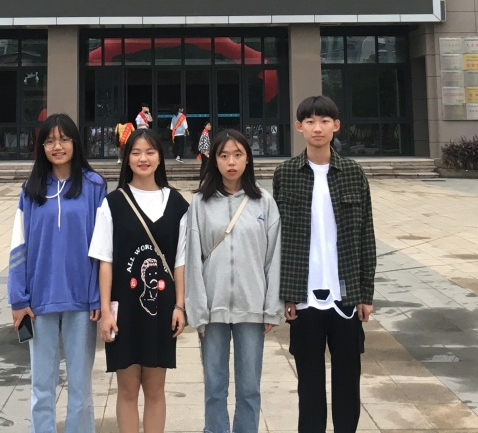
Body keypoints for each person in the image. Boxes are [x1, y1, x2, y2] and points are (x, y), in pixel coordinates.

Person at [272, 96, 376, 433]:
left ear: (336, 126)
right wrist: (285, 295)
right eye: (310, 121)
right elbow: (278, 240)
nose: (318, 128)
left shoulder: (353, 173)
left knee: (348, 384)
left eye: (325, 121)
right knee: (309, 387)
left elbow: (366, 236)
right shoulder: (285, 174)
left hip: (345, 297)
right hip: (303, 299)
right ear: (299, 127)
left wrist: (365, 294)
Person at [7, 113, 107, 433]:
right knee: (41, 387)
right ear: (42, 147)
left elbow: (103, 247)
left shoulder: (94, 186)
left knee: (80, 387)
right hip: (39, 302)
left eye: (64, 139)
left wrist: (98, 297)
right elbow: (18, 246)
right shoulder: (31, 189)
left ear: (75, 143)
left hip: (82, 301)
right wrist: (18, 299)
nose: (57, 146)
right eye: (50, 141)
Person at [89, 128, 189, 433]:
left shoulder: (177, 204)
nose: (143, 158)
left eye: (150, 152)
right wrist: (105, 312)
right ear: (127, 159)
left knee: (156, 390)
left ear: (160, 157)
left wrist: (180, 306)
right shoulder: (113, 204)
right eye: (136, 153)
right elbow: (105, 261)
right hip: (125, 309)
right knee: (128, 389)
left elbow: (180, 261)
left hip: (162, 308)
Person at [185, 129, 283, 433]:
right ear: (213, 160)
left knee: (250, 388)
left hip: (252, 309)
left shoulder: (264, 202)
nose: (231, 162)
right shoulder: (199, 203)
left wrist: (271, 307)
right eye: (224, 155)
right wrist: (197, 309)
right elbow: (193, 258)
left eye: (238, 155)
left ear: (247, 159)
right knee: (214, 388)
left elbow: (273, 258)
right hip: (212, 310)